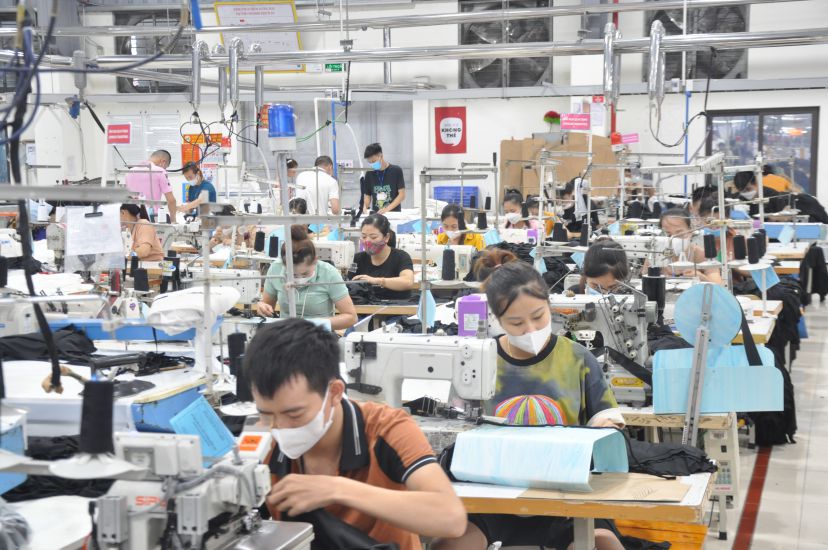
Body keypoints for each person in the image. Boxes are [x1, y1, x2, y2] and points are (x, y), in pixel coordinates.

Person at [433, 260, 624, 550]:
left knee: (603, 544)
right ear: (497, 320)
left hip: (566, 495)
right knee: (450, 545)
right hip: (493, 498)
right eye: (516, 323)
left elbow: (606, 419)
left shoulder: (576, 358)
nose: (530, 329)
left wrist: (604, 428)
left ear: (550, 305)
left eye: (538, 316)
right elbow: (454, 425)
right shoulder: (479, 361)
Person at [246, 319, 467, 550]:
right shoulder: (263, 440)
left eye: (294, 414)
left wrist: (336, 489)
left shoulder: (386, 429)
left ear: (334, 392)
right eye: (267, 414)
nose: (279, 427)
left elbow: (450, 518)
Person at [257, 225, 357, 330]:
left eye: (304, 274)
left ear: (315, 260)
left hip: (318, 338)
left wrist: (314, 324)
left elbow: (351, 317)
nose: (298, 278)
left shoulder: (329, 273)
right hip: (286, 336)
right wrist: (262, 308)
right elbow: (267, 307)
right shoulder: (276, 269)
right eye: (293, 275)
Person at [349, 214, 415, 300]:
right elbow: (347, 282)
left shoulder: (401, 257)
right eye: (364, 237)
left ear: (386, 237)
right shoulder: (357, 259)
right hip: (365, 310)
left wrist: (377, 281)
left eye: (373, 237)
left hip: (397, 310)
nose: (367, 241)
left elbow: (408, 282)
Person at [733, 170, 828, 224]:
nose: (745, 193)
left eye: (748, 189)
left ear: (756, 184)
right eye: (742, 191)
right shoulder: (742, 200)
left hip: (808, 210)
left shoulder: (772, 195)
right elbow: (753, 221)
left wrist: (768, 220)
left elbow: (784, 218)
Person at [659, 208, 723, 284]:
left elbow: (719, 286)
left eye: (680, 234)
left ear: (691, 231)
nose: (674, 239)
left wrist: (701, 277)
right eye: (668, 235)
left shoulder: (701, 255)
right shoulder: (657, 254)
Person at [124, 149, 176, 222]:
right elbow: (171, 200)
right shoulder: (160, 171)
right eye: (166, 167)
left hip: (133, 219)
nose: (165, 169)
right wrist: (173, 220)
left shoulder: (129, 172)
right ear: (163, 162)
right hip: (153, 219)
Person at [362, 143, 406, 214]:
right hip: (376, 214)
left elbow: (402, 195)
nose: (372, 164)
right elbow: (367, 195)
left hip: (393, 213)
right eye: (369, 162)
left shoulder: (396, 170)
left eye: (373, 161)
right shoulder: (369, 173)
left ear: (380, 156)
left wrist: (387, 209)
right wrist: (364, 207)